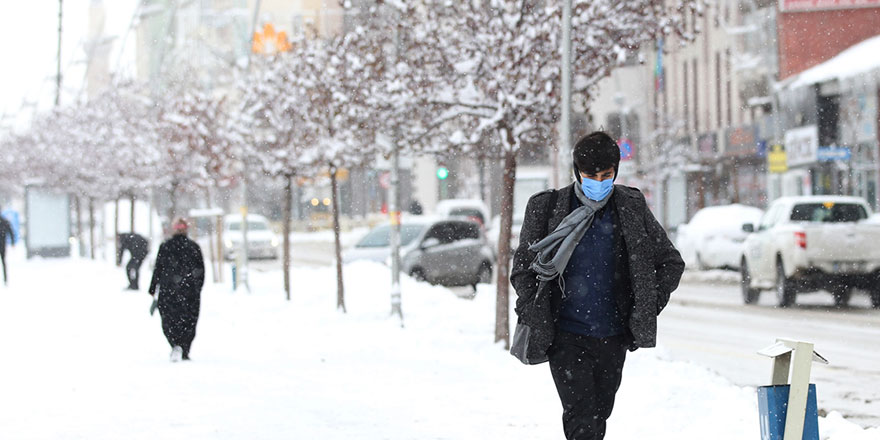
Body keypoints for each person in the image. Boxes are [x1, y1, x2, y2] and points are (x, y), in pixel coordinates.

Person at [511, 131, 684, 440]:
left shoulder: (629, 206)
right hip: (566, 336)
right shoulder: (548, 207)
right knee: (581, 420)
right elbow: (523, 269)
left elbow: (670, 262)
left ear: (615, 171)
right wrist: (531, 308)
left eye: (606, 175)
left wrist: (645, 307)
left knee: (599, 414)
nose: (599, 182)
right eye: (591, 175)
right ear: (577, 172)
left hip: (613, 337)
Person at [148, 218, 205, 362]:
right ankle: (184, 347)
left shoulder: (166, 246)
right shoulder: (193, 247)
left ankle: (175, 344)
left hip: (169, 290)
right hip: (189, 291)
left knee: (169, 319)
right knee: (189, 320)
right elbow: (200, 271)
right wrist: (196, 287)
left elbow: (158, 269)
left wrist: (153, 287)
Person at [0, 213, 15, 286]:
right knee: (4, 262)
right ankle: (5, 279)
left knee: (3, 262)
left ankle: (5, 280)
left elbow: (10, 231)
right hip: (3, 245)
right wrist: (12, 241)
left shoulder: (4, 221)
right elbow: (10, 231)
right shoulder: (4, 221)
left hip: (2, 245)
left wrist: (12, 241)